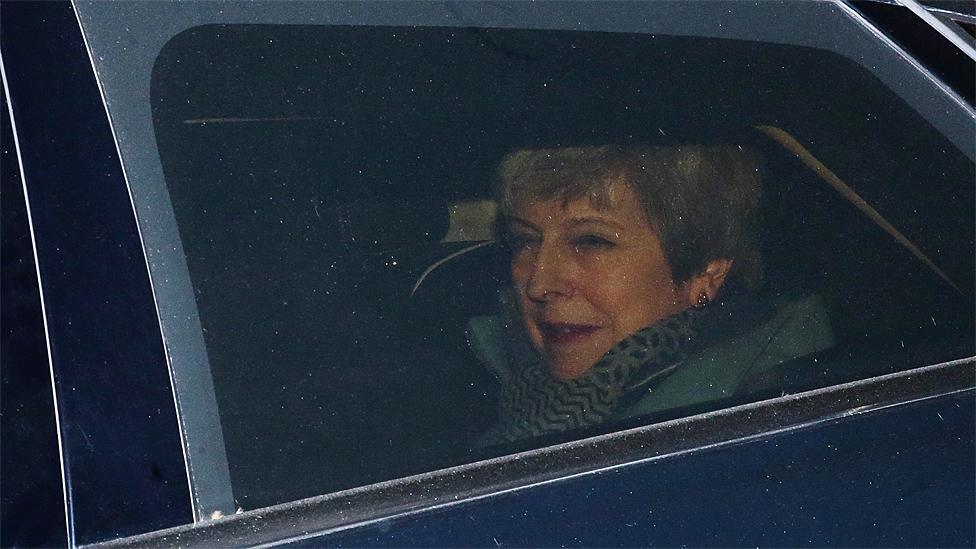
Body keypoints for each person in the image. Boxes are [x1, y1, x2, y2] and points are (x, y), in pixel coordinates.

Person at [477, 144, 764, 445]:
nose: (539, 284)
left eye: (591, 241)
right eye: (526, 241)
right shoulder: (522, 398)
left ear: (705, 273)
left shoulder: (740, 423)